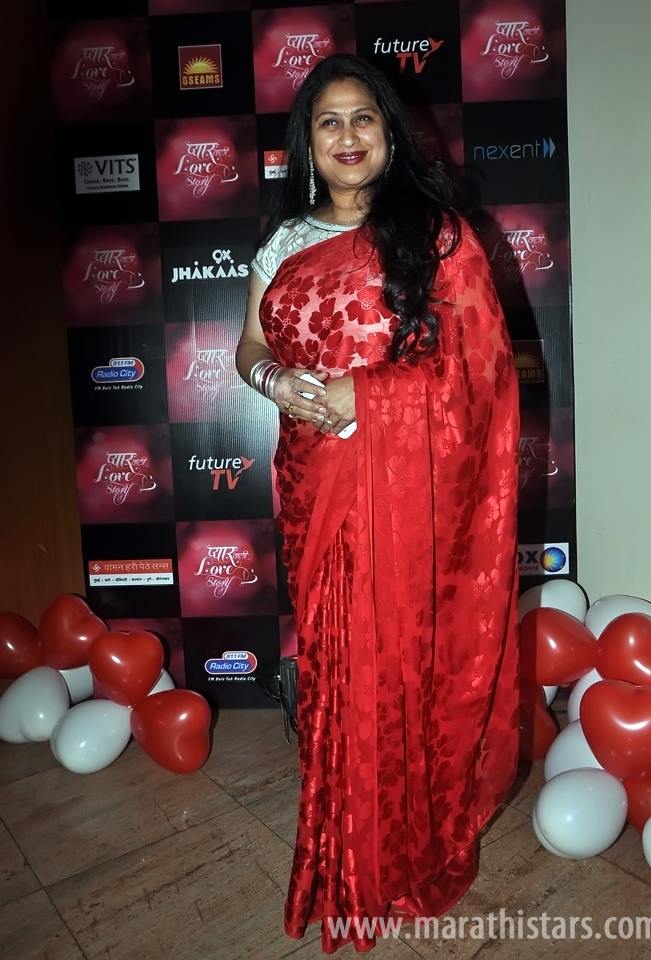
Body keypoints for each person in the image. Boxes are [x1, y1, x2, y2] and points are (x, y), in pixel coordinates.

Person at [235, 53, 520, 953]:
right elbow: (247, 347)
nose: (348, 135)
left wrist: (366, 395)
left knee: (397, 663)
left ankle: (401, 852)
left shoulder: (437, 236)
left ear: (391, 136)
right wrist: (276, 380)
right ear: (308, 143)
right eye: (329, 121)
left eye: (365, 118)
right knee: (333, 665)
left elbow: (479, 374)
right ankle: (340, 841)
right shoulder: (283, 242)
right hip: (312, 481)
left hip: (406, 492)